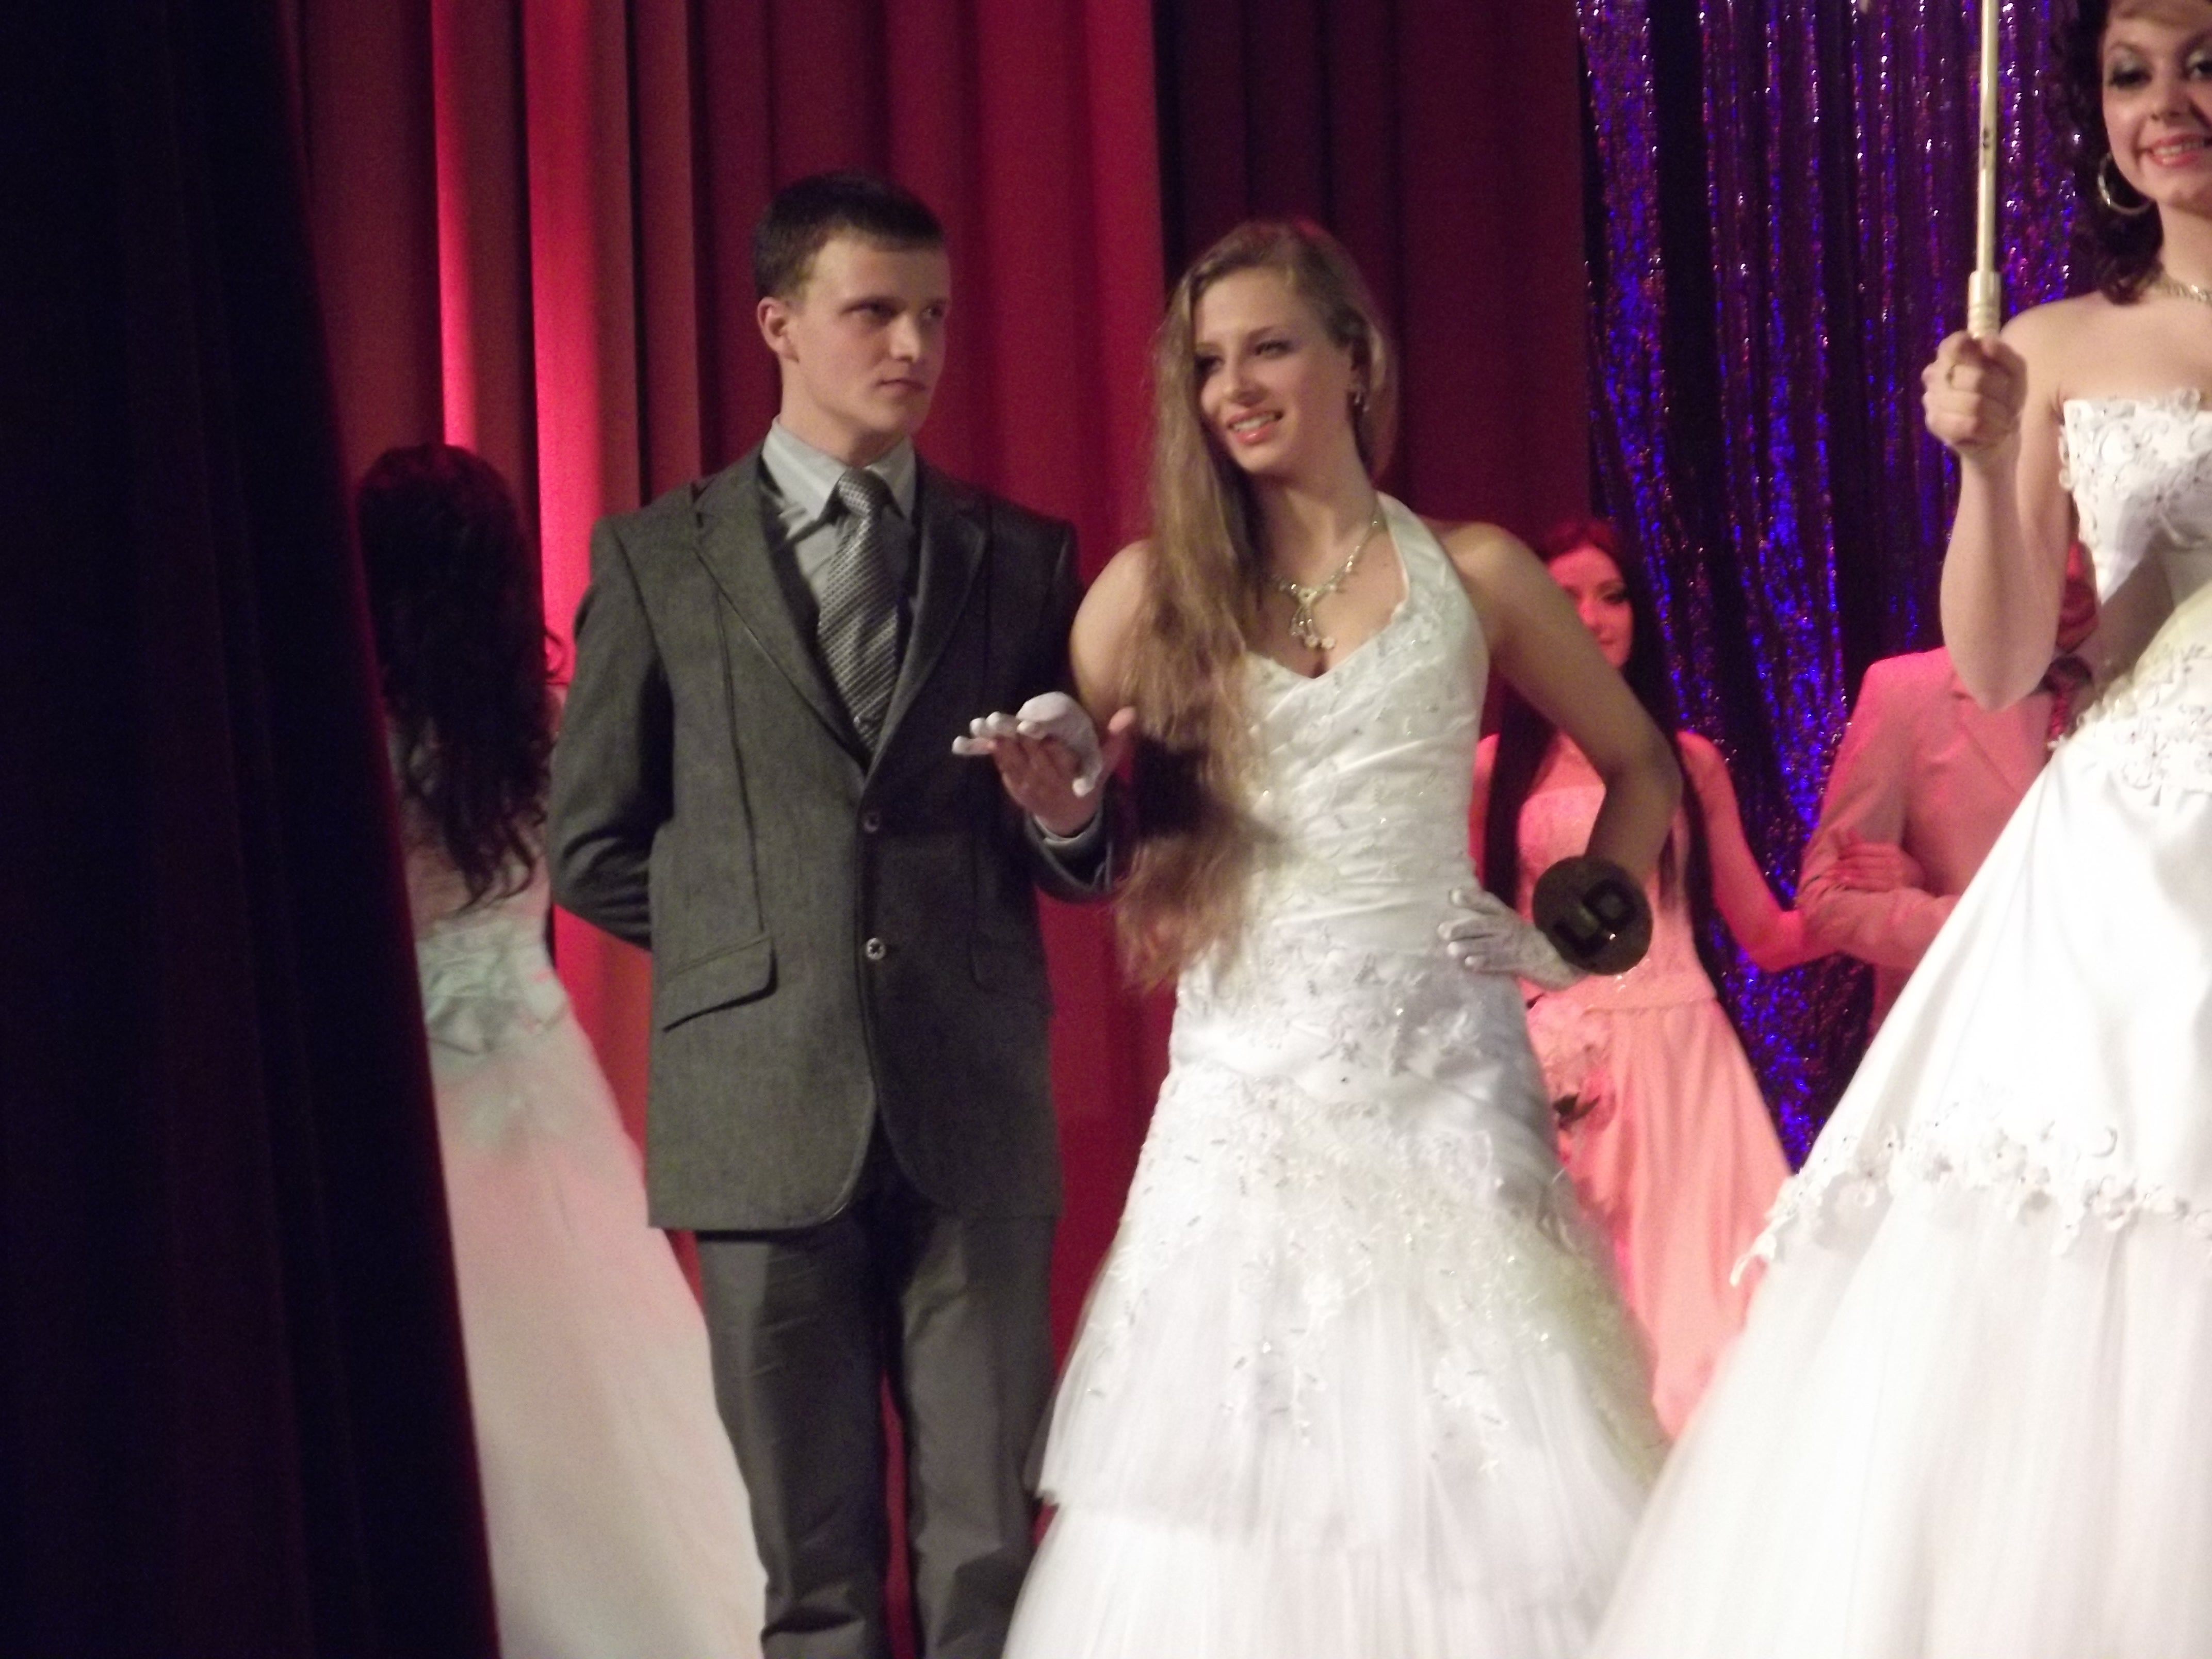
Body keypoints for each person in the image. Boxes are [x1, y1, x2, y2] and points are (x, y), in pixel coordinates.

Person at [1588, 2, 2212, 1652]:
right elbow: (1999, 664)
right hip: (2141, 856)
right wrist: (1988, 463)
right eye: (2131, 74)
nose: (2167, 103)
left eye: (2202, 61)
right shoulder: (2056, 344)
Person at [1001, 219, 1681, 1659]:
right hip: (1244, 1085)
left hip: (1448, 1075)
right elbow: (1060, 787)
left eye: (1269, 348)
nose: (1234, 388)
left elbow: (1641, 766)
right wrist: (1062, 796)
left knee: (1490, 1457)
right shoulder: (1154, 589)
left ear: (1356, 361)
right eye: (1207, 364)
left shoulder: (1478, 572)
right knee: (1232, 1469)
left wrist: (1584, 925)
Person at [546, 172, 1117, 1659]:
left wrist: (1067, 815)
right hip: (757, 1111)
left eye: (934, 316)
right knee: (810, 1574)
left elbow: (1081, 847)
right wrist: (760, 951)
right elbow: (591, 845)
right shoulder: (658, 559)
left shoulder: (1021, 555)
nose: (914, 347)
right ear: (778, 324)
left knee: (990, 1549)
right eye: (874, 312)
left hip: (972, 1102)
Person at [358, 443, 767, 1658]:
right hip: (533, 1060)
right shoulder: (543, 724)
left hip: (411, 1078)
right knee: (598, 1355)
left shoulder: (350, 737)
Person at [1473, 517, 1824, 1436]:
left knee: (1711, 1311)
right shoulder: (1491, 771)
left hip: (1685, 1066)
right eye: (1563, 599)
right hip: (1561, 1061)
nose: (1590, 618)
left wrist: (1863, 902)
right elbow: (1477, 934)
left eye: (1611, 595)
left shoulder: (1686, 762)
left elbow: (1763, 931)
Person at [1797, 544, 2100, 1036]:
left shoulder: (2169, 694)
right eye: (2054, 532)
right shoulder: (1909, 692)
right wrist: (1973, 926)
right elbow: (1826, 895)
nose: (2071, 570)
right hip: (1957, 1042)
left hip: (2121, 1042)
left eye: (2090, 534)